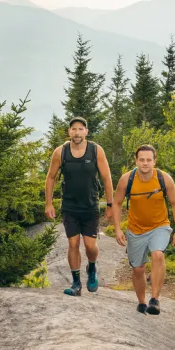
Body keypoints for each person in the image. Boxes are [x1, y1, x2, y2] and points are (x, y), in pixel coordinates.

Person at [44, 117, 116, 296]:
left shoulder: (95, 150)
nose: (77, 132)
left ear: (86, 132)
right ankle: (76, 283)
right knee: (73, 243)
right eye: (73, 129)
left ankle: (92, 268)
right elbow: (51, 177)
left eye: (80, 129)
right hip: (69, 206)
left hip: (90, 205)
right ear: (69, 132)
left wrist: (109, 204)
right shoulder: (60, 152)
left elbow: (107, 178)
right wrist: (48, 203)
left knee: (90, 246)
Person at [113, 144, 175, 315]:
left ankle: (155, 299)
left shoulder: (164, 179)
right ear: (136, 161)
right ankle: (142, 301)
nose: (145, 163)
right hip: (135, 230)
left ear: (154, 161)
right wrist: (117, 229)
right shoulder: (126, 180)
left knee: (158, 254)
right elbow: (116, 203)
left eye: (149, 160)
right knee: (138, 269)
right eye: (142, 160)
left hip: (160, 226)